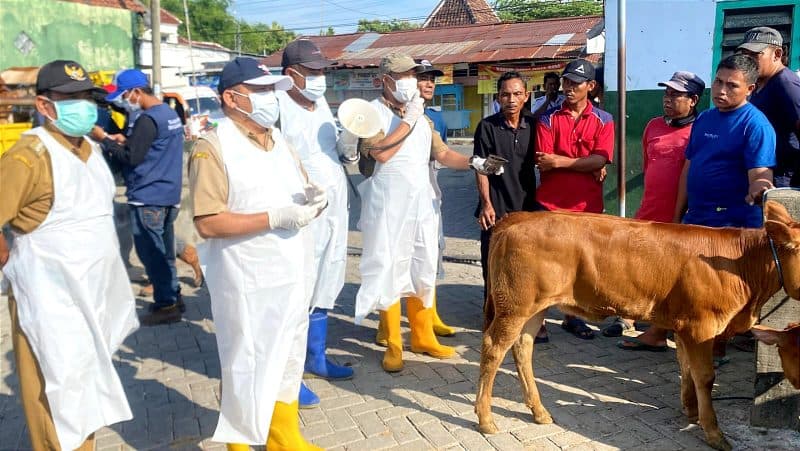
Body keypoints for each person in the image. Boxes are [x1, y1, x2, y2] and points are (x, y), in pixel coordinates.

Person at [188, 57, 327, 450]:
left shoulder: (279, 140)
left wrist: (317, 198)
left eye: (274, 92)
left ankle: (284, 436)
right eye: (262, 91)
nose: (272, 99)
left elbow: (301, 187)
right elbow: (208, 222)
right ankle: (240, 441)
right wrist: (274, 216)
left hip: (292, 273)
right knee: (249, 361)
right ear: (232, 98)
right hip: (248, 279)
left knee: (286, 356)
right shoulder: (213, 146)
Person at [0, 59, 138, 451]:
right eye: (72, 98)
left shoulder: (90, 149)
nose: (84, 106)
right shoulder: (29, 157)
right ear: (45, 106)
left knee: (83, 394)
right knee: (56, 395)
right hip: (50, 302)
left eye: (87, 98)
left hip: (92, 295)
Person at [355, 53, 501, 373]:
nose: (410, 81)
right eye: (403, 75)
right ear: (385, 79)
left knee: (423, 267)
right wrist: (408, 120)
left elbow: (444, 153)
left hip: (422, 204)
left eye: (412, 74)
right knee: (391, 271)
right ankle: (394, 343)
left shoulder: (422, 117)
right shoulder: (372, 115)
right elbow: (381, 154)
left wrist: (478, 163)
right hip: (388, 208)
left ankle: (422, 336)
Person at [672, 54, 776, 366]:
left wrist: (759, 188)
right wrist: (678, 214)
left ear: (750, 89)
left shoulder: (756, 125)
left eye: (732, 85)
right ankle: (695, 346)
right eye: (718, 82)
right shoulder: (704, 119)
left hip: (731, 225)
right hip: (697, 219)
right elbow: (689, 167)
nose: (721, 90)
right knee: (689, 290)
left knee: (717, 296)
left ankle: (713, 352)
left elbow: (761, 174)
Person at [277, 39, 353, 409]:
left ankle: (317, 359)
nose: (321, 77)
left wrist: (350, 143)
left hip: (335, 208)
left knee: (326, 279)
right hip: (301, 213)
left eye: (323, 71)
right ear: (291, 74)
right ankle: (289, 378)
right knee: (299, 289)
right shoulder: (276, 107)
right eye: (313, 72)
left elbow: (330, 148)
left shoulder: (320, 102)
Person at [609, 71, 705, 349]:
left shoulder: (699, 131)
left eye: (676, 94)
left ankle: (658, 333)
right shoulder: (652, 126)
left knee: (670, 277)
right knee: (639, 270)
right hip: (648, 211)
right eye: (666, 93)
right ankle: (632, 317)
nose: (668, 99)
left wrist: (678, 215)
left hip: (679, 217)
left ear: (694, 100)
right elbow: (649, 167)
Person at [92, 69, 185, 326]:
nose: (124, 101)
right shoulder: (168, 113)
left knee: (151, 254)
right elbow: (148, 146)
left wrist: (105, 140)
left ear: (136, 92)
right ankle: (174, 296)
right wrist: (126, 139)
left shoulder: (147, 119)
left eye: (124, 95)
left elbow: (131, 158)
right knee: (165, 251)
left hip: (148, 196)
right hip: (168, 194)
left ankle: (165, 305)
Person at [534, 59, 615, 341]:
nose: (568, 88)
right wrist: (585, 163)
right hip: (551, 204)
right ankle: (539, 320)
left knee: (580, 265)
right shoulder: (548, 118)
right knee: (545, 265)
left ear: (590, 87)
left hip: (587, 206)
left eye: (575, 83)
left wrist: (563, 162)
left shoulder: (604, 119)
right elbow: (544, 160)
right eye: (566, 82)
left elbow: (601, 157)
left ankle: (573, 317)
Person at [473, 71, 538, 297]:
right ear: (498, 97)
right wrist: (486, 204)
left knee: (525, 265)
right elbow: (481, 167)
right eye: (505, 94)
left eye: (517, 94)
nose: (511, 99)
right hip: (496, 208)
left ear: (526, 96)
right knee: (493, 266)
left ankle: (523, 318)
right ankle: (490, 317)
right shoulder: (487, 127)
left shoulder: (534, 125)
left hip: (527, 209)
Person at [736, 27, 800, 187]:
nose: (747, 61)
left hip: (784, 182)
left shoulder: (786, 84)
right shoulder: (758, 86)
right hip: (762, 180)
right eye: (745, 55)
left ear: (777, 54)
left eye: (754, 55)